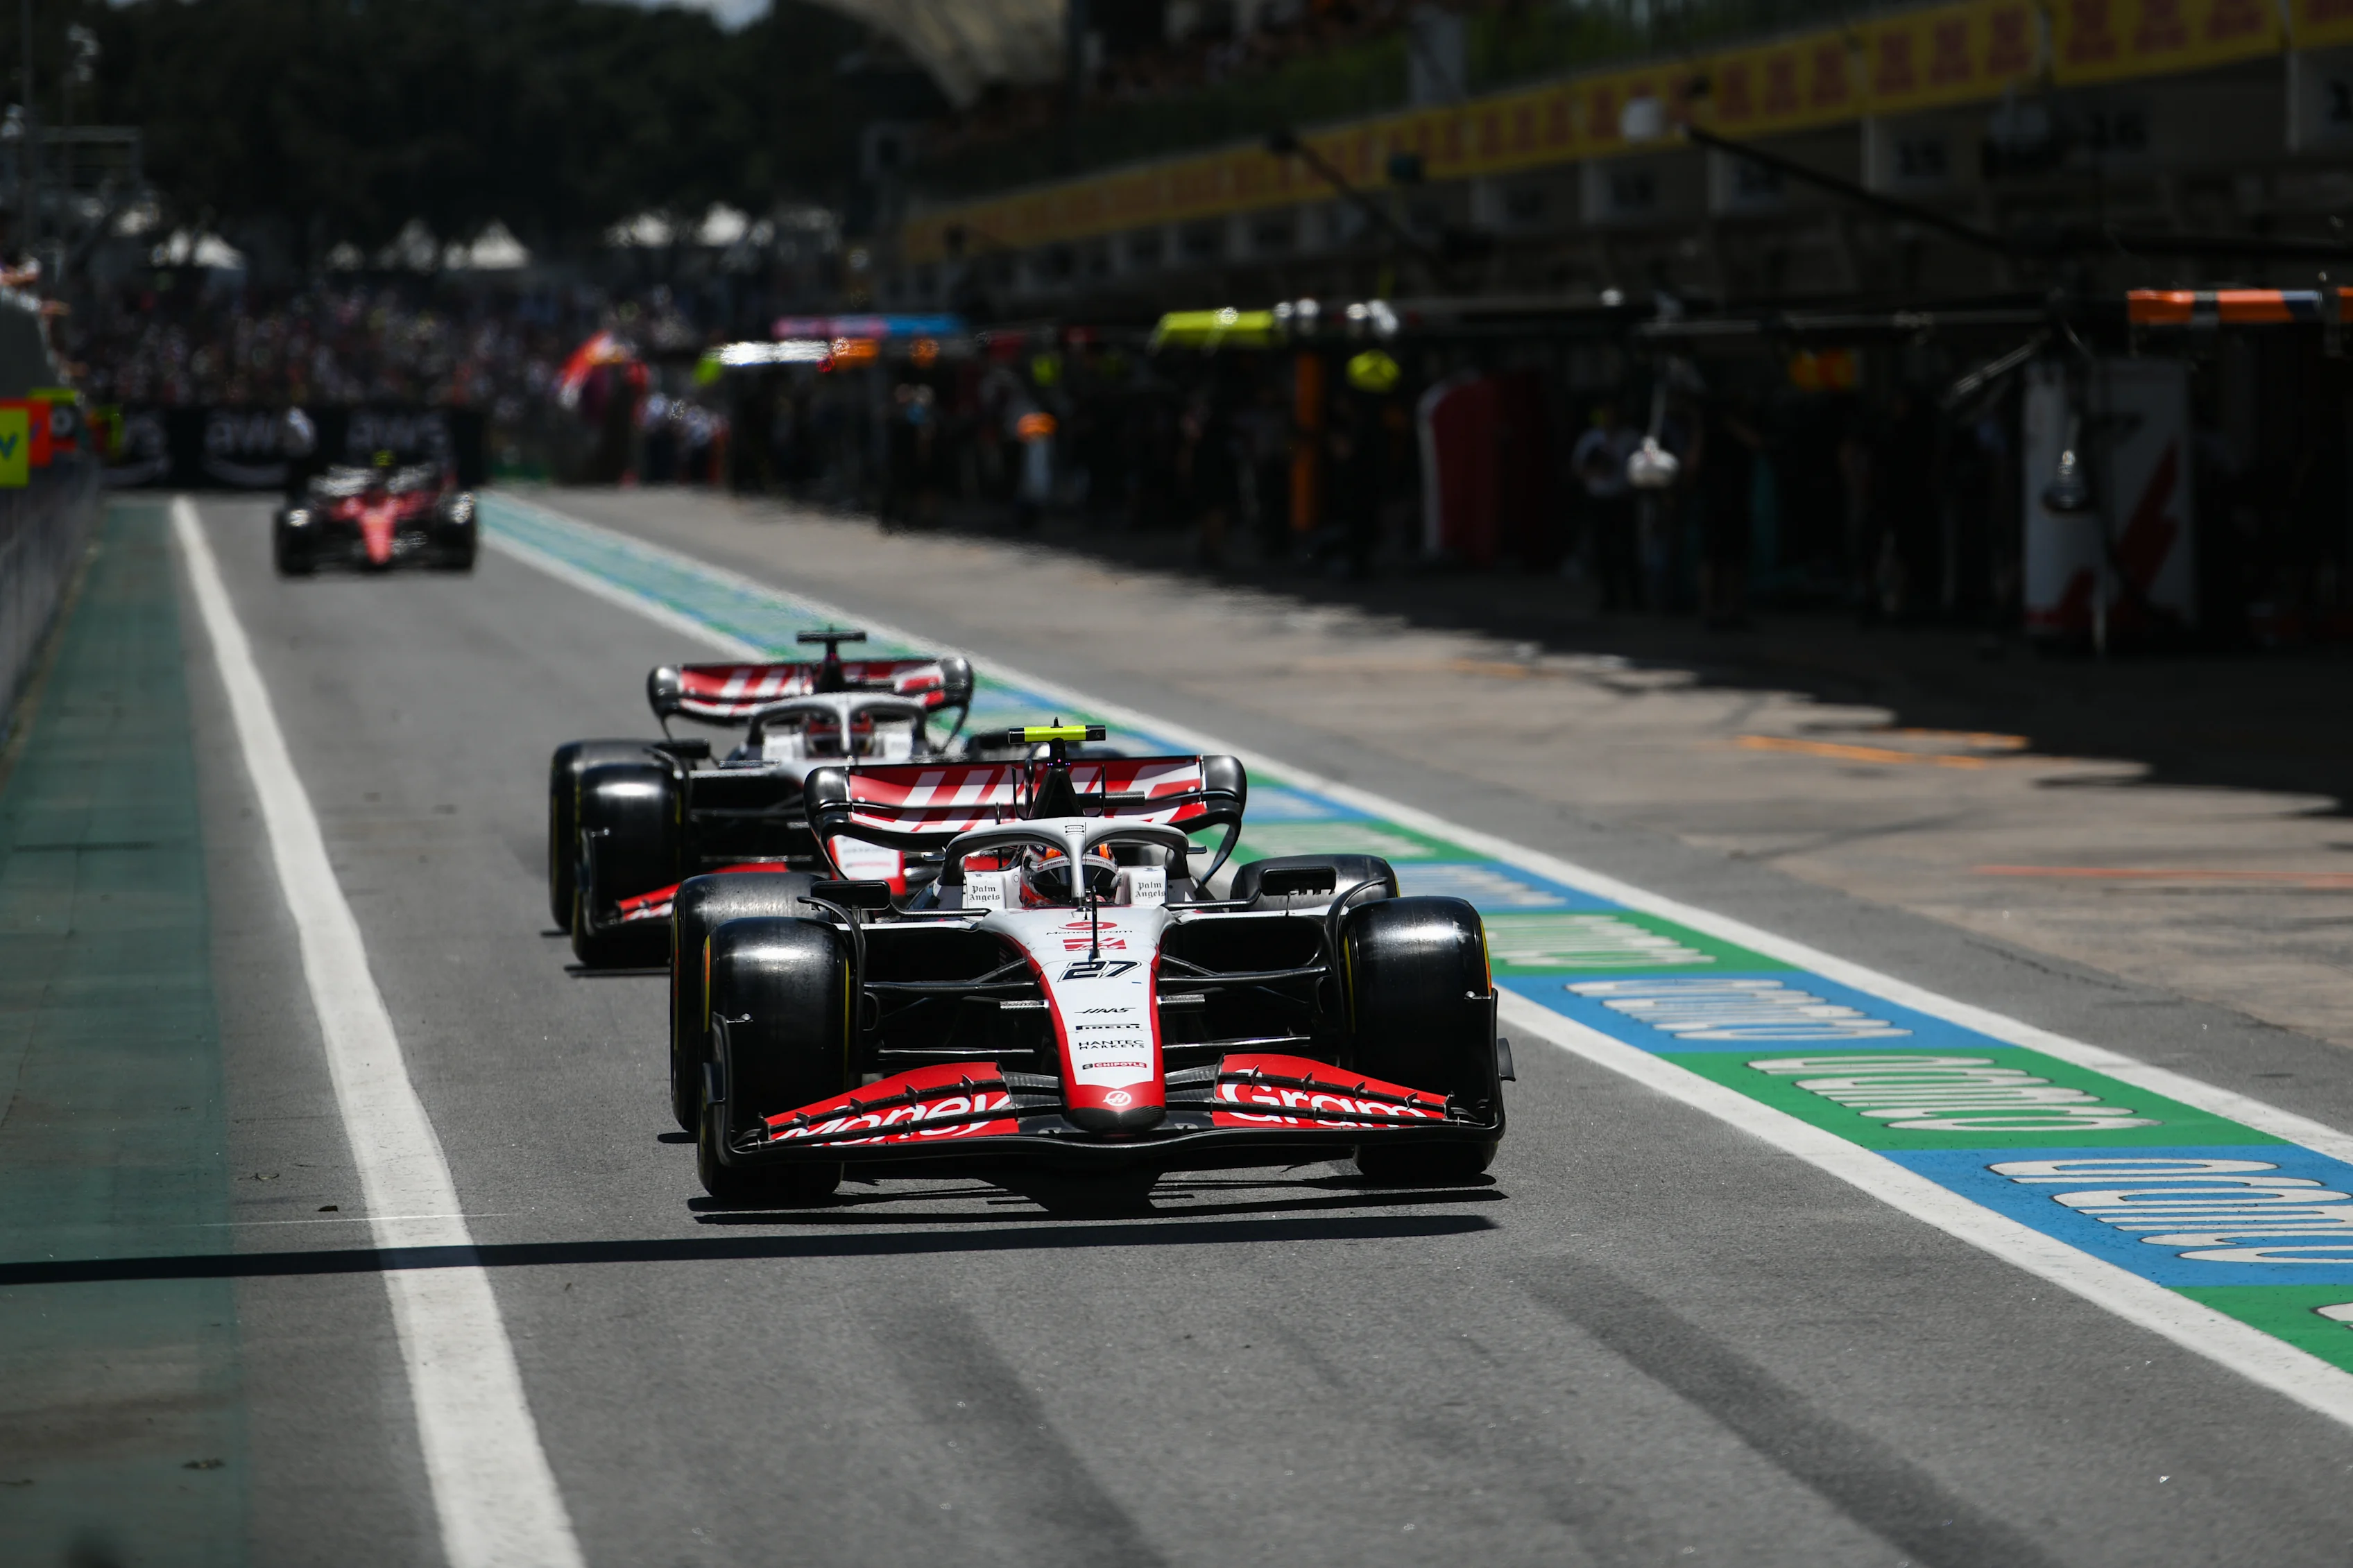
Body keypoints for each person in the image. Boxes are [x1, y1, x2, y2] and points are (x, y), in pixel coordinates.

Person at [1571, 402, 1640, 610]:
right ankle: (1610, 598)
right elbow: (1578, 468)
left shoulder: (1631, 437)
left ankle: (1636, 598)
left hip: (1624, 500)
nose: (1609, 418)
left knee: (1628, 550)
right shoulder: (1591, 438)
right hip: (1599, 501)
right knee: (1603, 551)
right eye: (1605, 414)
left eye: (1613, 413)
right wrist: (1595, 471)